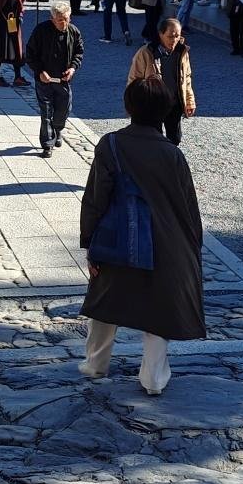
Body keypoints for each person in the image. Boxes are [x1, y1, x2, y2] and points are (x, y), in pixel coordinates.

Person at [79, 78, 205, 396]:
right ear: (164, 111)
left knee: (104, 301)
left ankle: (95, 364)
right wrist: (193, 247)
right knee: (157, 313)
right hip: (166, 242)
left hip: (119, 238)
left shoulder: (110, 145)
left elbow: (96, 197)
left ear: (127, 107)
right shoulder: (172, 154)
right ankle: (153, 379)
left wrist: (89, 242)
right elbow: (188, 205)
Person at [26, 1, 84, 157]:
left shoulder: (73, 31)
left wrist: (72, 68)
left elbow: (79, 52)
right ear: (52, 19)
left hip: (63, 80)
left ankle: (58, 129)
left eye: (66, 19)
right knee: (46, 112)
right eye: (60, 20)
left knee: (64, 109)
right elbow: (30, 54)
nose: (64, 23)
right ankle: (47, 144)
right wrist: (39, 71)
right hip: (44, 79)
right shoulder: (41, 31)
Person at [127, 15, 196, 145]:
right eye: (170, 36)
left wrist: (189, 100)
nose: (174, 40)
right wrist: (133, 106)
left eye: (177, 36)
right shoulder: (145, 53)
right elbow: (134, 80)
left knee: (175, 140)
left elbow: (186, 77)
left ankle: (168, 162)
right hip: (152, 103)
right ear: (160, 34)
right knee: (152, 140)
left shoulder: (182, 52)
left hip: (174, 102)